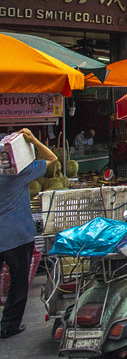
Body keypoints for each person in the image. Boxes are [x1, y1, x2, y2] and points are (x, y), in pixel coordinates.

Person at [0, 129, 57, 339]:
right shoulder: (21, 171)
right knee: (18, 281)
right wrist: (33, 140)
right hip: (16, 235)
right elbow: (52, 159)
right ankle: (9, 325)